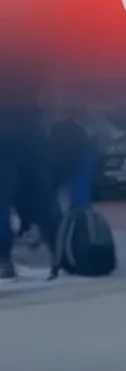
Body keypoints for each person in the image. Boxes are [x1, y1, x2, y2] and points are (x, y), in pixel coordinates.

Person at [0, 71, 61, 280]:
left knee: (2, 196)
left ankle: (3, 259)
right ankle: (57, 249)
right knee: (40, 191)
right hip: (29, 124)